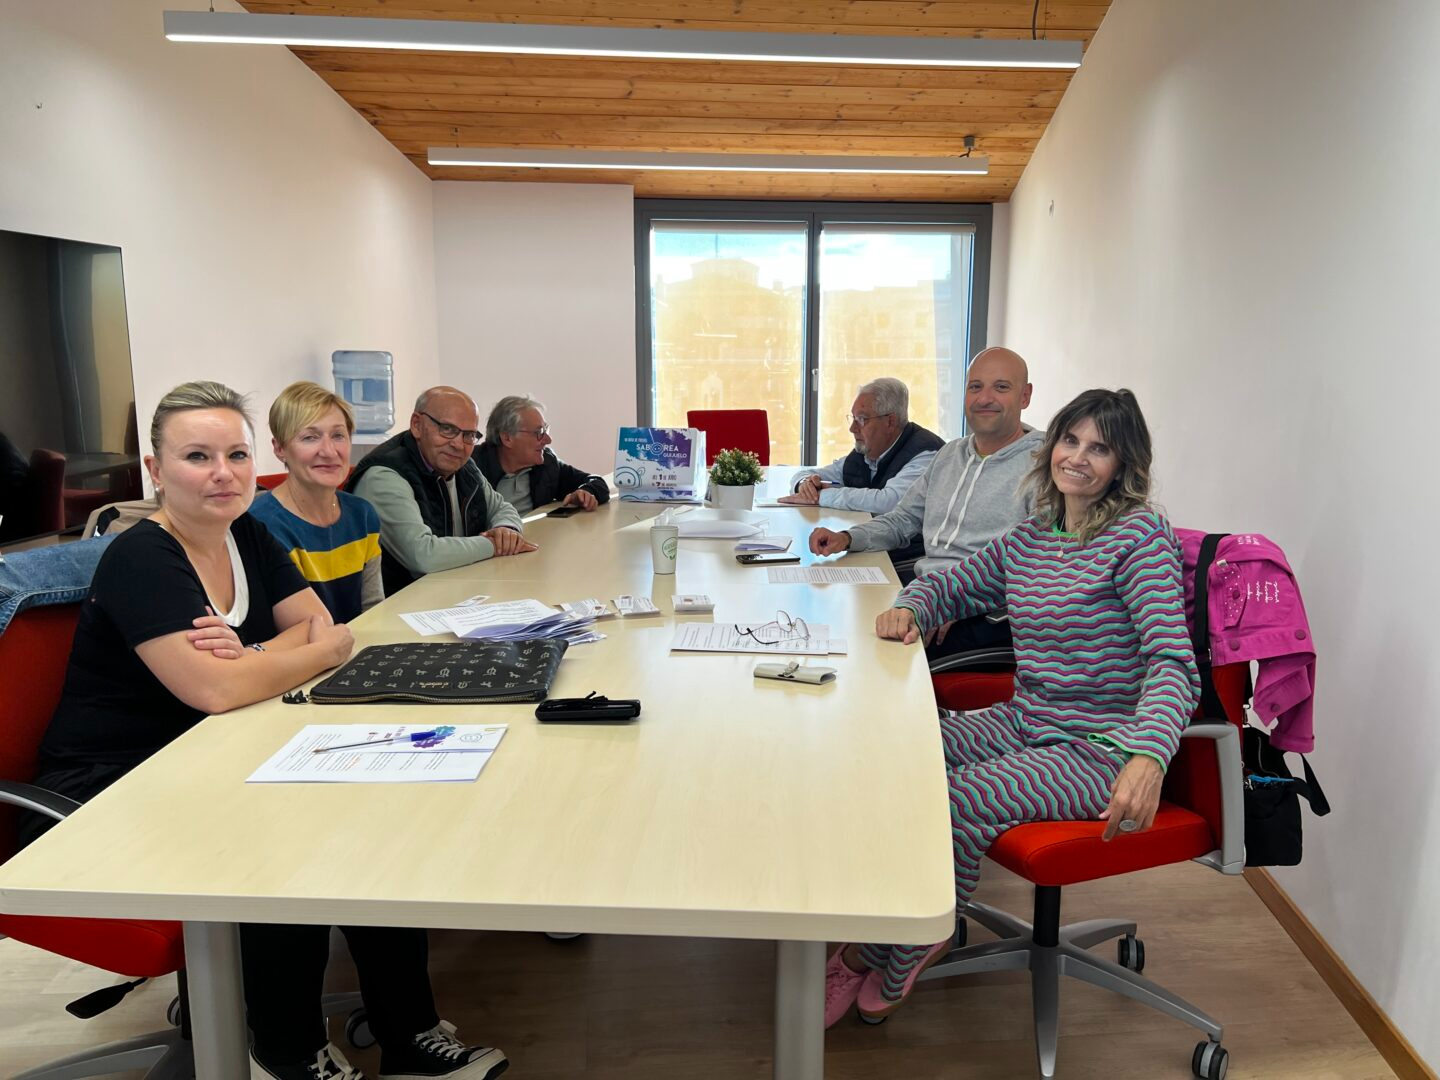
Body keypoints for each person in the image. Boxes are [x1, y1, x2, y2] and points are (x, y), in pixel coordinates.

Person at [18, 382, 508, 1080]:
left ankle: (409, 1035)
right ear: (156, 472)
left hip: (211, 753)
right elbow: (216, 690)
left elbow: (327, 632)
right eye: (196, 455)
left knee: (375, 809)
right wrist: (270, 660)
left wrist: (255, 657)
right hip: (109, 792)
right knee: (287, 842)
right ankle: (288, 1050)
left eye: (235, 454)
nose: (222, 471)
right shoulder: (142, 559)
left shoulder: (247, 532)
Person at [823, 388, 1200, 1028]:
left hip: (1099, 748)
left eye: (1099, 448)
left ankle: (906, 942)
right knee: (897, 756)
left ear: (1123, 463)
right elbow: (957, 581)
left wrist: (1148, 755)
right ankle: (882, 924)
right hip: (1030, 718)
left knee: (957, 799)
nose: (1078, 458)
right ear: (1051, 445)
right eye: (1070, 440)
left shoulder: (1139, 537)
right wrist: (913, 605)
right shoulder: (1034, 535)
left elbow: (1173, 664)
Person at [807, 347, 1043, 654]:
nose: (985, 398)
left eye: (1001, 387)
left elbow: (1036, 564)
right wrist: (847, 538)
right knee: (835, 613)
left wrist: (951, 602)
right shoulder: (950, 455)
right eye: (975, 387)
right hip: (927, 593)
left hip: (982, 612)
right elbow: (903, 518)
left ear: (1025, 396)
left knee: (868, 652)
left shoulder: (1046, 466)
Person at [348, 387, 532, 595]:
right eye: (447, 429)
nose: (458, 444)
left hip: (455, 593)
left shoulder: (464, 466)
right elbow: (423, 555)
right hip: (403, 607)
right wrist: (495, 545)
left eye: (469, 435)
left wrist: (507, 529)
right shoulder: (384, 475)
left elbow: (502, 508)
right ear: (416, 425)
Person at [250, 381, 383, 620]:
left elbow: (374, 608)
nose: (329, 451)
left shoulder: (362, 515)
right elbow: (296, 627)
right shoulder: (260, 525)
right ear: (279, 448)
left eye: (338, 435)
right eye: (310, 437)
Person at [778, 378, 942, 563]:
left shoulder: (926, 453)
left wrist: (821, 496)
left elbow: (890, 502)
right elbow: (815, 474)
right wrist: (804, 485)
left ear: (890, 422)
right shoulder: (867, 450)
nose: (852, 428)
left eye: (862, 419)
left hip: (910, 559)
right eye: (853, 418)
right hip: (869, 546)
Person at [475, 395, 609, 513]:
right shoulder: (471, 468)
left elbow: (596, 482)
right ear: (507, 438)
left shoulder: (547, 464)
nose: (548, 440)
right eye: (538, 433)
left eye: (546, 430)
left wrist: (585, 493)